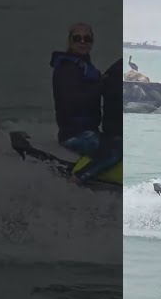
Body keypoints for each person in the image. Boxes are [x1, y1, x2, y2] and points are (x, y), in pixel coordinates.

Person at [50, 23, 120, 184]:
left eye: (87, 38)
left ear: (92, 42)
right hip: (74, 135)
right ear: (69, 42)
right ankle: (77, 178)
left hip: (89, 131)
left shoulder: (83, 65)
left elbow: (96, 87)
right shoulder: (66, 69)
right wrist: (100, 86)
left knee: (118, 140)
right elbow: (72, 100)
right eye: (77, 38)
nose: (82, 42)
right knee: (115, 151)